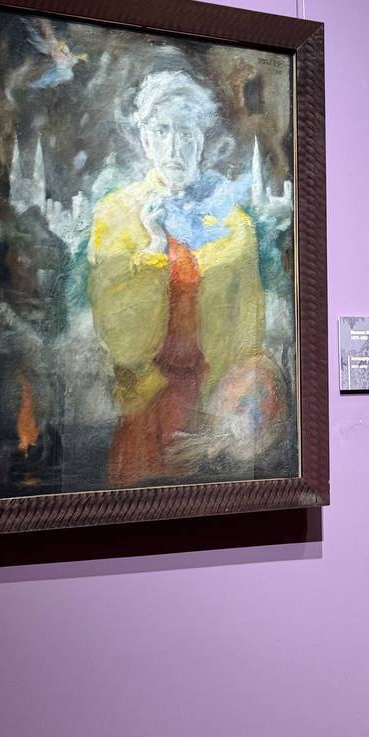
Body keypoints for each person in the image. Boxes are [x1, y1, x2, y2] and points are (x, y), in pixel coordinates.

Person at [87, 69, 266, 486]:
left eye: (186, 132)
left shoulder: (234, 225)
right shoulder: (115, 215)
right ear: (144, 137)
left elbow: (249, 337)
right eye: (162, 131)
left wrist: (231, 418)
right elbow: (120, 339)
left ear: (202, 138)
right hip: (144, 401)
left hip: (214, 408)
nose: (174, 147)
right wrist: (153, 248)